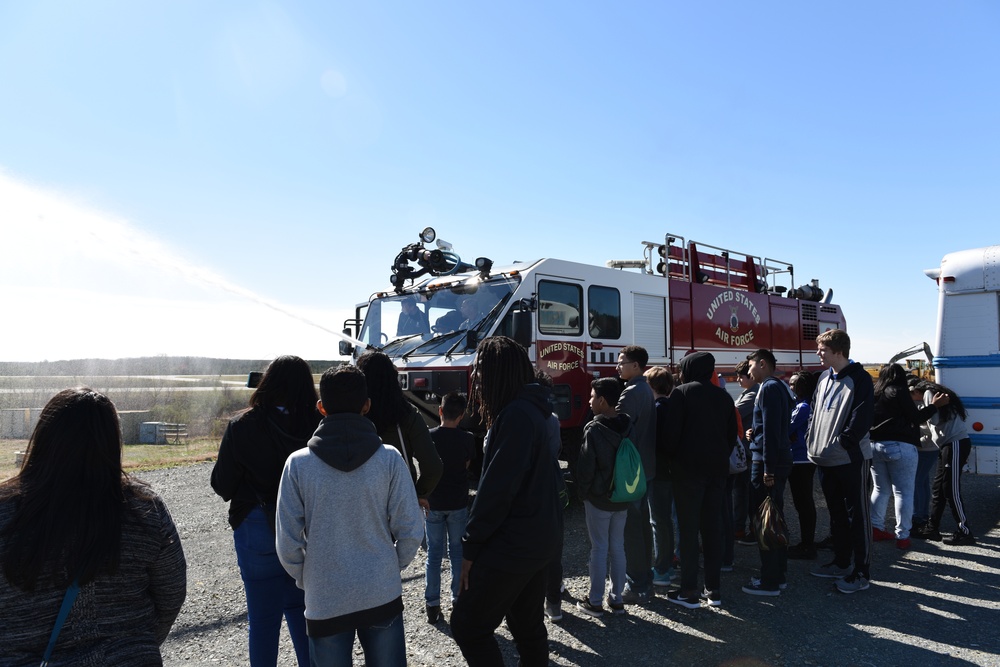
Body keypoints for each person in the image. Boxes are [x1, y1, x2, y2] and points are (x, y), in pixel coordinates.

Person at [0, 388, 186, 664]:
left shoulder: (5, 512)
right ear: (112, 442)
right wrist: (135, 644)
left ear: (43, 439)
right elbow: (171, 594)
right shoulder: (144, 508)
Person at [275, 365, 424, 666]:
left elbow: (287, 543)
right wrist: (390, 566)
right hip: (381, 592)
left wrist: (308, 578)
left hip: (324, 598)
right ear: (367, 406)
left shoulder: (298, 465)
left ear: (321, 408)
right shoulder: (390, 459)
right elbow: (411, 530)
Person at [451, 336, 560, 667]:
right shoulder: (534, 410)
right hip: (540, 539)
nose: (476, 378)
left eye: (482, 370)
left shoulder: (515, 416)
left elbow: (496, 493)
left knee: (468, 626)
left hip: (514, 543)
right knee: (527, 626)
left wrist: (470, 547)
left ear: (501, 372)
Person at [211, 355, 319, 666]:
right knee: (303, 614)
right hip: (304, 528)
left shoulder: (243, 425)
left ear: (267, 382)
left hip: (257, 524)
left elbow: (223, 486)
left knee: (262, 621)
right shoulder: (316, 424)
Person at [664, 351, 737, 609]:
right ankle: (714, 590)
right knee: (711, 529)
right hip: (717, 471)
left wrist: (672, 460)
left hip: (687, 472)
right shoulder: (724, 397)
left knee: (688, 530)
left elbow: (671, 435)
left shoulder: (681, 393)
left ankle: (688, 590)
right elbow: (731, 436)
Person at [806, 329, 875, 594]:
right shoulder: (823, 377)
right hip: (824, 459)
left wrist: (841, 443)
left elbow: (862, 418)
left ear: (838, 351)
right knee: (836, 515)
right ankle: (842, 561)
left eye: (822, 349)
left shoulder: (861, 379)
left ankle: (862, 572)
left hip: (849, 460)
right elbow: (814, 411)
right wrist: (812, 438)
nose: (818, 353)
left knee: (857, 515)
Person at [869, 364, 948, 550]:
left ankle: (876, 528)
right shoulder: (898, 391)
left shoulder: (875, 393)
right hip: (900, 445)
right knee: (903, 492)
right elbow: (916, 417)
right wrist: (934, 406)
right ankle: (902, 536)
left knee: (880, 489)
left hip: (874, 446)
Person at [575, 377, 631, 618]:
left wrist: (582, 492)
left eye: (592, 396)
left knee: (599, 547)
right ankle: (617, 598)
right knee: (617, 546)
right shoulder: (627, 423)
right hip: (623, 493)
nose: (589, 401)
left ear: (602, 400)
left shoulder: (594, 429)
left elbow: (586, 467)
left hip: (599, 497)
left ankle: (595, 601)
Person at [357, 351, 443, 508]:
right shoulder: (407, 414)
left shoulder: (355, 413)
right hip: (398, 499)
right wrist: (417, 495)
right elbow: (433, 467)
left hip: (359, 498)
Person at [741, 350, 793, 597]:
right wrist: (755, 433)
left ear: (763, 363)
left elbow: (773, 431)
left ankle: (770, 580)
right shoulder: (779, 387)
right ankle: (778, 574)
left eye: (751, 366)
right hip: (771, 460)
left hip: (766, 465)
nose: (748, 371)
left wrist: (768, 469)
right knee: (774, 518)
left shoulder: (770, 388)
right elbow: (775, 427)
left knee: (765, 521)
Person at [424, 391, 475, 625]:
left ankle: (432, 605)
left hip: (433, 503)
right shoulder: (468, 439)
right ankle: (457, 599)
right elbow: (466, 466)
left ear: (440, 410)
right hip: (457, 503)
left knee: (433, 555)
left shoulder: (428, 437)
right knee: (457, 553)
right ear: (462, 415)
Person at [615, 345, 657, 605]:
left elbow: (618, 429)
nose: (618, 366)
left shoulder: (631, 393)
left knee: (631, 528)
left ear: (637, 366)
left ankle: (635, 583)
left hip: (632, 470)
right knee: (642, 526)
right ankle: (645, 579)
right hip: (647, 467)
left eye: (622, 362)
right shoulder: (646, 389)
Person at [913, 381, 976, 545]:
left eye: (912, 394)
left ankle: (964, 531)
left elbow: (932, 420)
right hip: (949, 445)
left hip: (954, 444)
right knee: (938, 488)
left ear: (917, 391)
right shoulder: (935, 393)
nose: (914, 399)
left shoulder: (928, 394)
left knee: (950, 489)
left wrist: (928, 408)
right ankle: (932, 528)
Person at [644, 366, 676, 588]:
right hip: (672, 471)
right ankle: (669, 564)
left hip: (659, 471)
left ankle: (662, 569)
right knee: (667, 520)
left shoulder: (656, 409)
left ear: (651, 386)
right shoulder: (672, 406)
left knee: (658, 521)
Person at [787, 371, 819, 560]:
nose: (790, 387)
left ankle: (807, 544)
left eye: (793, 384)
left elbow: (787, 427)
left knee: (803, 502)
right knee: (804, 502)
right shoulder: (807, 404)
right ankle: (807, 542)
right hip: (804, 458)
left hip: (800, 459)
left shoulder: (802, 407)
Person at [908, 376, 940, 533]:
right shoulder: (927, 399)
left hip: (924, 447)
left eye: (913, 393)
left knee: (917, 481)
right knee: (922, 481)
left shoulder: (925, 402)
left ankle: (919, 516)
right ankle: (923, 514)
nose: (911, 395)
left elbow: (927, 423)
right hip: (929, 447)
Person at [733, 361, 759, 545]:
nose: (738, 380)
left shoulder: (752, 395)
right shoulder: (748, 393)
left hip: (748, 452)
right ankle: (742, 528)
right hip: (747, 451)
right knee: (743, 492)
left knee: (746, 493)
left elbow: (735, 414)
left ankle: (749, 529)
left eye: (741, 376)